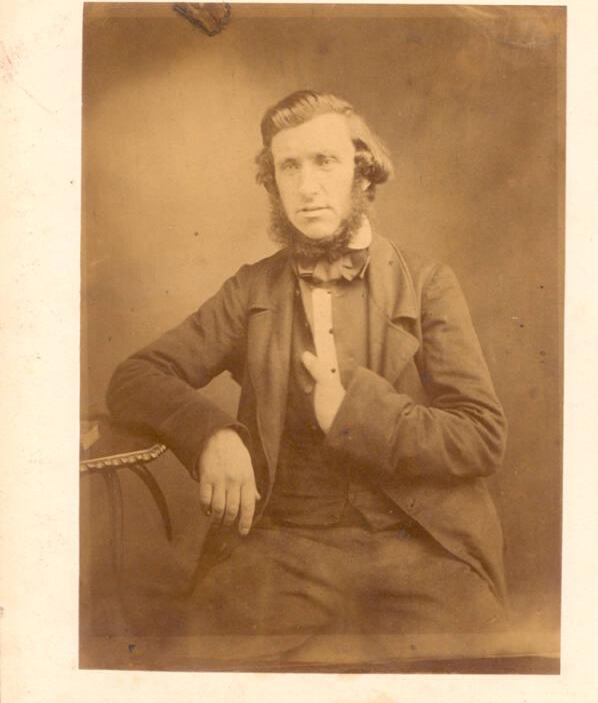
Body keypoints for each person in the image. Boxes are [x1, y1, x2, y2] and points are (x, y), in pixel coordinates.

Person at [106, 90, 508, 651]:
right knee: (197, 663)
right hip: (283, 546)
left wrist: (355, 413)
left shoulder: (427, 283)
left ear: (361, 172)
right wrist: (210, 433)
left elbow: (482, 437)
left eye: (325, 162)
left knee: (480, 671)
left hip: (417, 541)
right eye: (289, 166)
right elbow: (135, 377)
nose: (307, 186)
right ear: (273, 182)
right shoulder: (252, 289)